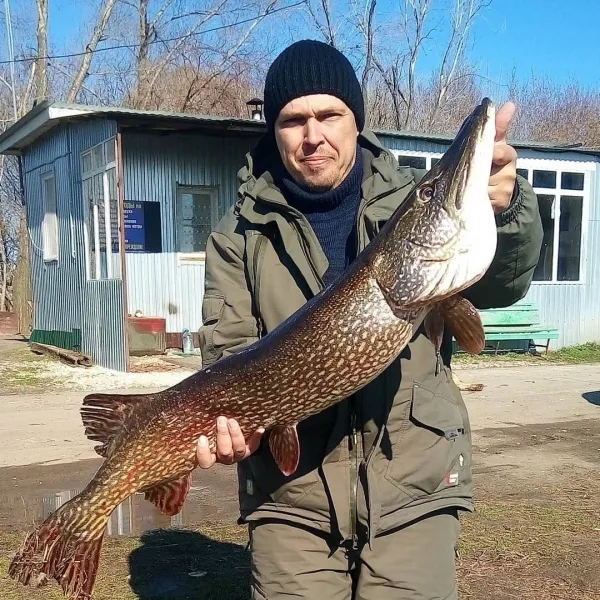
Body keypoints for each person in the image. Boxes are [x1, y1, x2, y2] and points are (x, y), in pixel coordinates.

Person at [195, 39, 543, 599]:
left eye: (329, 115)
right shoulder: (237, 236)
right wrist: (234, 428)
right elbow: (228, 356)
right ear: (274, 131)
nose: (313, 135)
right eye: (293, 121)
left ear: (356, 121)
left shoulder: (409, 199)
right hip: (291, 498)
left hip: (413, 483)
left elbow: (503, 283)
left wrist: (506, 210)